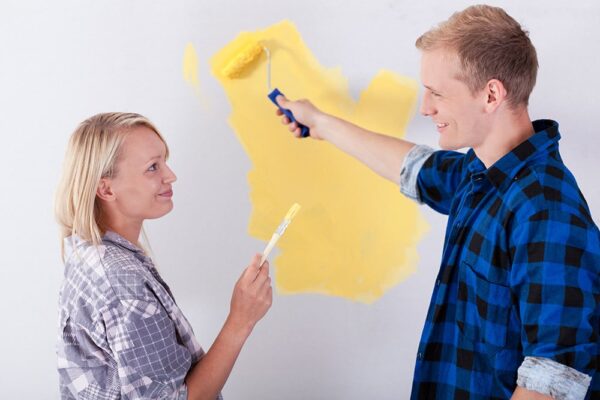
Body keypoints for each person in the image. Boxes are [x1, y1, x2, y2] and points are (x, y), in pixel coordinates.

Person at [274, 5, 599, 400]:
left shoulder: (546, 210)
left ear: (491, 94)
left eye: (437, 93)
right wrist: (320, 122)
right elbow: (414, 167)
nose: (425, 108)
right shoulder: (479, 174)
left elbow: (552, 383)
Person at [55, 112, 272, 399]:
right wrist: (240, 320)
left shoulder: (88, 251)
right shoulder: (124, 286)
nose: (171, 176)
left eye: (164, 162)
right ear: (106, 188)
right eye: (153, 167)